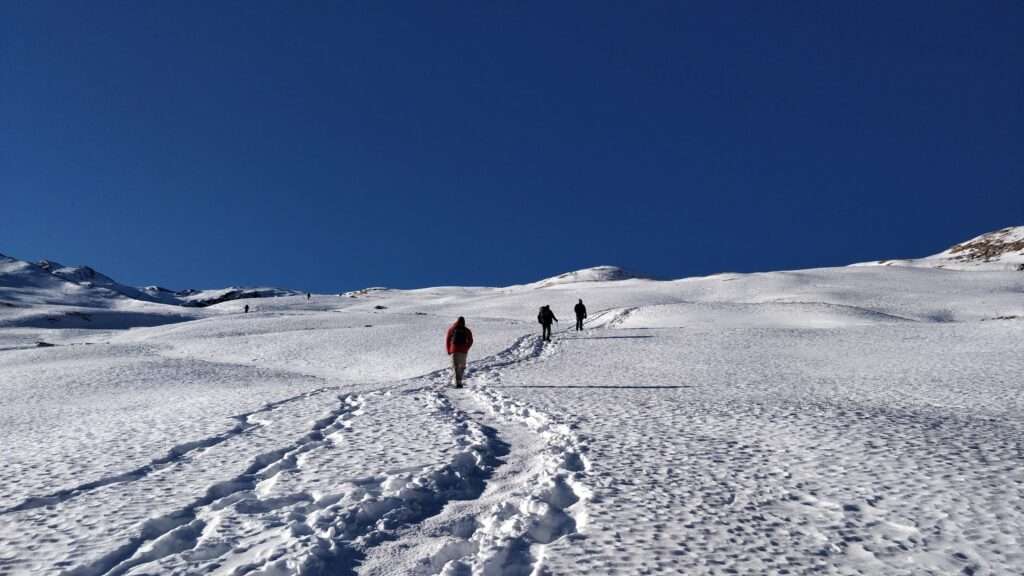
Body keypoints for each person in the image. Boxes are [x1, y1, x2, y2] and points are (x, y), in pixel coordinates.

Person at [445, 317, 474, 388]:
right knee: (462, 367)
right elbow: (471, 340)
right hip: (463, 351)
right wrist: (466, 348)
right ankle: (459, 381)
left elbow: (448, 340)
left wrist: (449, 350)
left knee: (455, 367)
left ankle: (457, 383)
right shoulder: (467, 330)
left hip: (454, 350)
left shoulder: (452, 329)